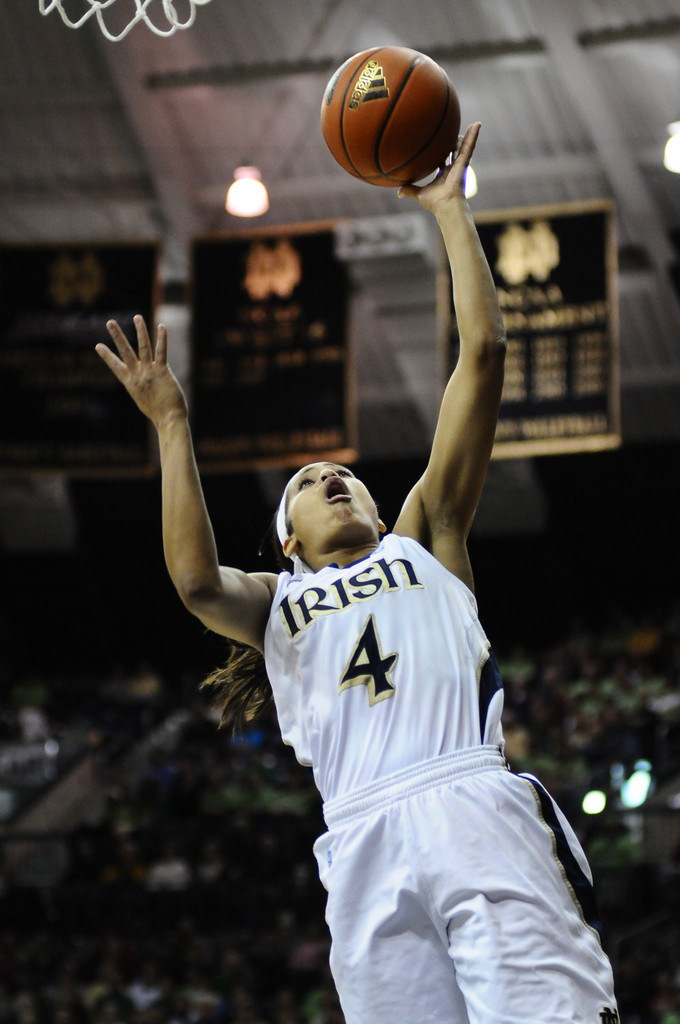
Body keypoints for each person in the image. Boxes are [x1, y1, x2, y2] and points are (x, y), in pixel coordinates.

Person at [96, 123, 618, 1024]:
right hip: (362, 839)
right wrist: (172, 425)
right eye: (307, 482)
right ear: (287, 542)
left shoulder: (427, 540)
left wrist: (450, 212)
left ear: (383, 511)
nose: (332, 477)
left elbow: (483, 360)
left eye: (347, 476)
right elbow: (191, 579)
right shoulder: (277, 605)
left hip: (470, 803)